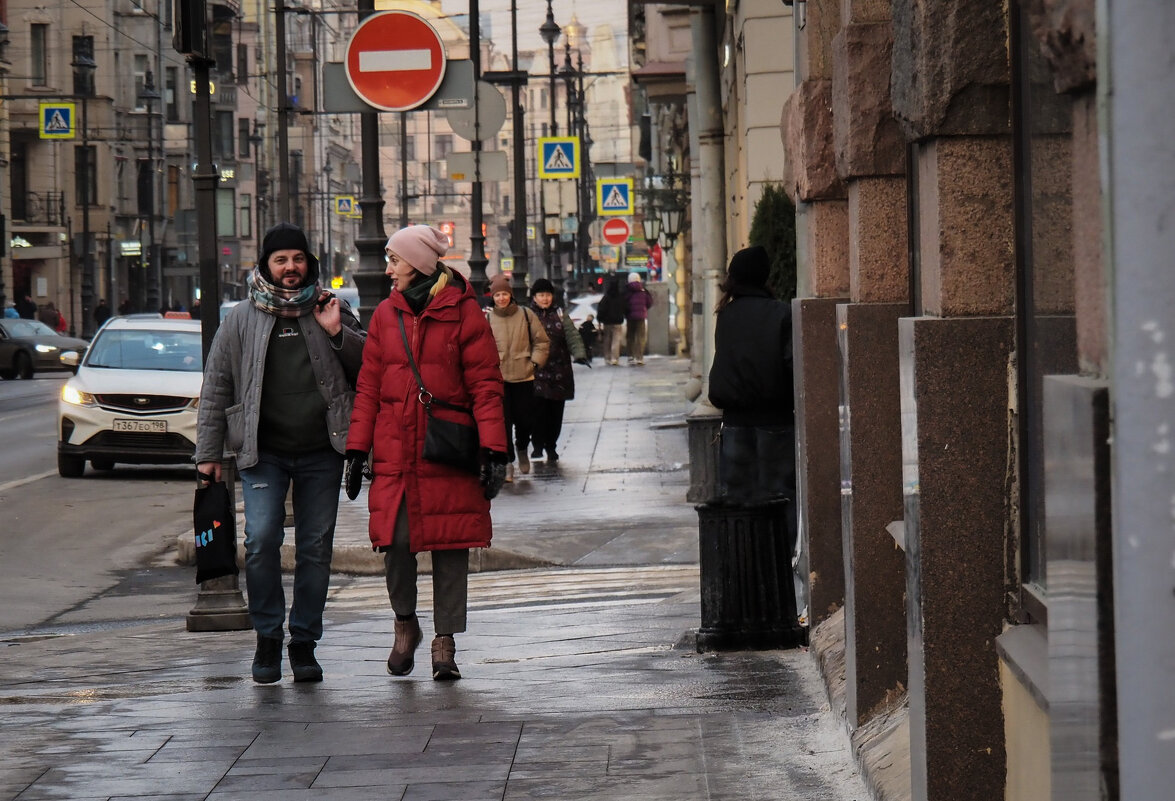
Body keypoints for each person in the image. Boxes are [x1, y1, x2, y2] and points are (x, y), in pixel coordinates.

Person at [195, 222, 366, 685]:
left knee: (315, 547)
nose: (291, 267)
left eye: (297, 258)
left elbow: (369, 368)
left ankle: (304, 642)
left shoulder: (332, 308)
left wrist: (336, 333)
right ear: (266, 266)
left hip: (322, 451)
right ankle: (268, 637)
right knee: (261, 540)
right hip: (262, 452)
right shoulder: (240, 319)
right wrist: (208, 453)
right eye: (280, 259)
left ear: (309, 263)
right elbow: (216, 386)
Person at [346, 225, 508, 682]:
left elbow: (486, 387)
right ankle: (404, 624)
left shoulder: (464, 313)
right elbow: (369, 388)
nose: (387, 268)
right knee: (396, 543)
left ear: (417, 263)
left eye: (394, 259)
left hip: (448, 448)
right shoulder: (384, 316)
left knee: (451, 544)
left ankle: (445, 642)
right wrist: (357, 449)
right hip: (396, 452)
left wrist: (495, 450)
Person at [707, 245, 795, 509]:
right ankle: (778, 550)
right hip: (775, 419)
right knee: (779, 500)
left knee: (738, 500)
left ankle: (741, 549)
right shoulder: (781, 313)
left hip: (734, 420)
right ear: (764, 276)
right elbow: (791, 364)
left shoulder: (726, 314)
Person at [486, 272, 549, 481]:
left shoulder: (525, 314)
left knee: (525, 421)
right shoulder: (487, 318)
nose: (501, 298)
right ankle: (508, 463)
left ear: (510, 295)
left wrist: (534, 363)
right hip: (499, 379)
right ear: (492, 298)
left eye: (504, 294)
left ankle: (522, 447)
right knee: (503, 423)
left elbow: (541, 341)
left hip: (524, 377)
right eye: (497, 295)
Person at [529, 278, 587, 464]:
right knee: (537, 412)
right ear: (534, 297)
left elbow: (572, 336)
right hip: (536, 373)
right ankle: (537, 445)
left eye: (547, 295)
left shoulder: (561, 314)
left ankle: (551, 446)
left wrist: (579, 353)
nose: (545, 299)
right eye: (541, 295)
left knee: (555, 413)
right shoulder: (527, 315)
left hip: (559, 372)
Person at [622, 272, 653, 365]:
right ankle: (639, 357)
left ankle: (631, 356)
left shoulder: (627, 290)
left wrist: (626, 312)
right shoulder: (643, 291)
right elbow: (649, 302)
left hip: (630, 317)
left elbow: (623, 303)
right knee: (640, 337)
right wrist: (643, 309)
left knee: (630, 337)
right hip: (641, 316)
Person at [595, 276, 626, 365]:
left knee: (607, 340)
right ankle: (614, 358)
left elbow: (601, 309)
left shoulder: (606, 297)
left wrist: (600, 318)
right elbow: (624, 307)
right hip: (617, 322)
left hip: (607, 322)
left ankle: (607, 358)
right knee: (616, 340)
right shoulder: (620, 297)